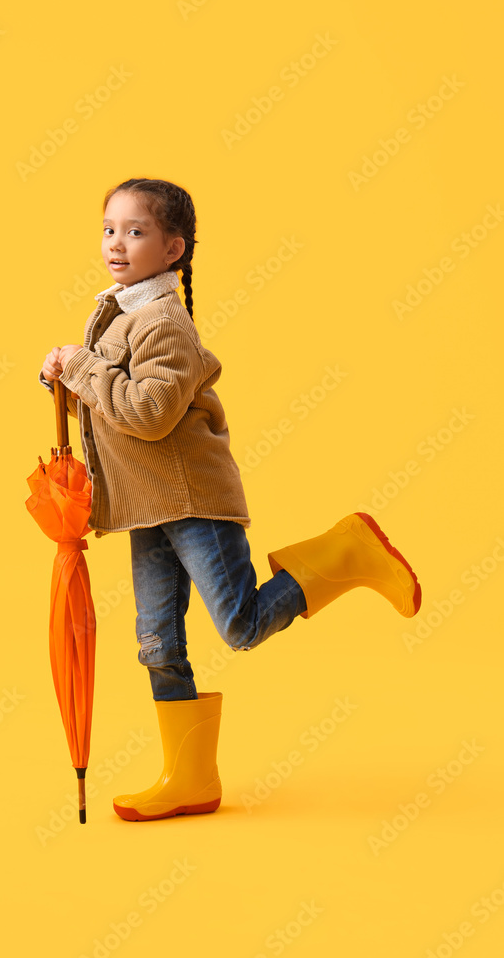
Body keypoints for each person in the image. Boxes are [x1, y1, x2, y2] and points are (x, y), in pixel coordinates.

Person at [38, 176, 422, 822]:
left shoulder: (163, 323)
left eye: (136, 231)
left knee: (239, 625)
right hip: (144, 507)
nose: (116, 243)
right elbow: (111, 398)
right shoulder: (116, 311)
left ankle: (345, 550)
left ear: (173, 249)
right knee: (157, 643)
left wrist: (80, 367)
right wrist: (66, 377)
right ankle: (188, 779)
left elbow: (149, 413)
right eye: (109, 229)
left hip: (191, 501)